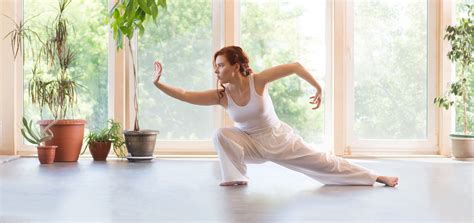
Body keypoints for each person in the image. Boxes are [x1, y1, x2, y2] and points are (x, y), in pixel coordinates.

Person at [152, 46, 399, 187]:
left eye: (220, 65)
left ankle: (377, 177)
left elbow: (294, 66)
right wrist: (159, 84)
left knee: (326, 163)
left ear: (236, 65)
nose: (216, 70)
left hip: (280, 141)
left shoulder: (257, 81)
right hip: (251, 145)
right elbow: (185, 94)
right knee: (220, 134)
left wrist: (318, 87)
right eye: (215, 66)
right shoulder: (222, 95)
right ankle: (237, 178)